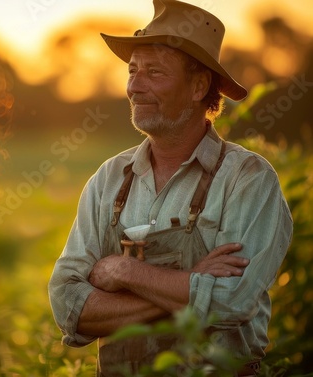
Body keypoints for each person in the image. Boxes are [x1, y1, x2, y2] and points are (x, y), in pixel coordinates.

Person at [48, 0, 293, 376]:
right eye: (133, 71)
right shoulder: (109, 178)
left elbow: (232, 304)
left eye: (154, 72)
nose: (134, 87)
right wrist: (194, 278)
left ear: (198, 86)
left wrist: (123, 273)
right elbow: (68, 304)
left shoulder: (248, 178)